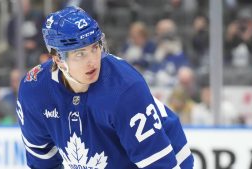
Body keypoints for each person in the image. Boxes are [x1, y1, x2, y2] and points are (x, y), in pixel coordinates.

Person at [16, 7, 194, 169]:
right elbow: (43, 163)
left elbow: (160, 164)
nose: (92, 60)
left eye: (95, 47)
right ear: (57, 59)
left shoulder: (126, 88)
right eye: (80, 54)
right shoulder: (34, 90)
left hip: (163, 156)